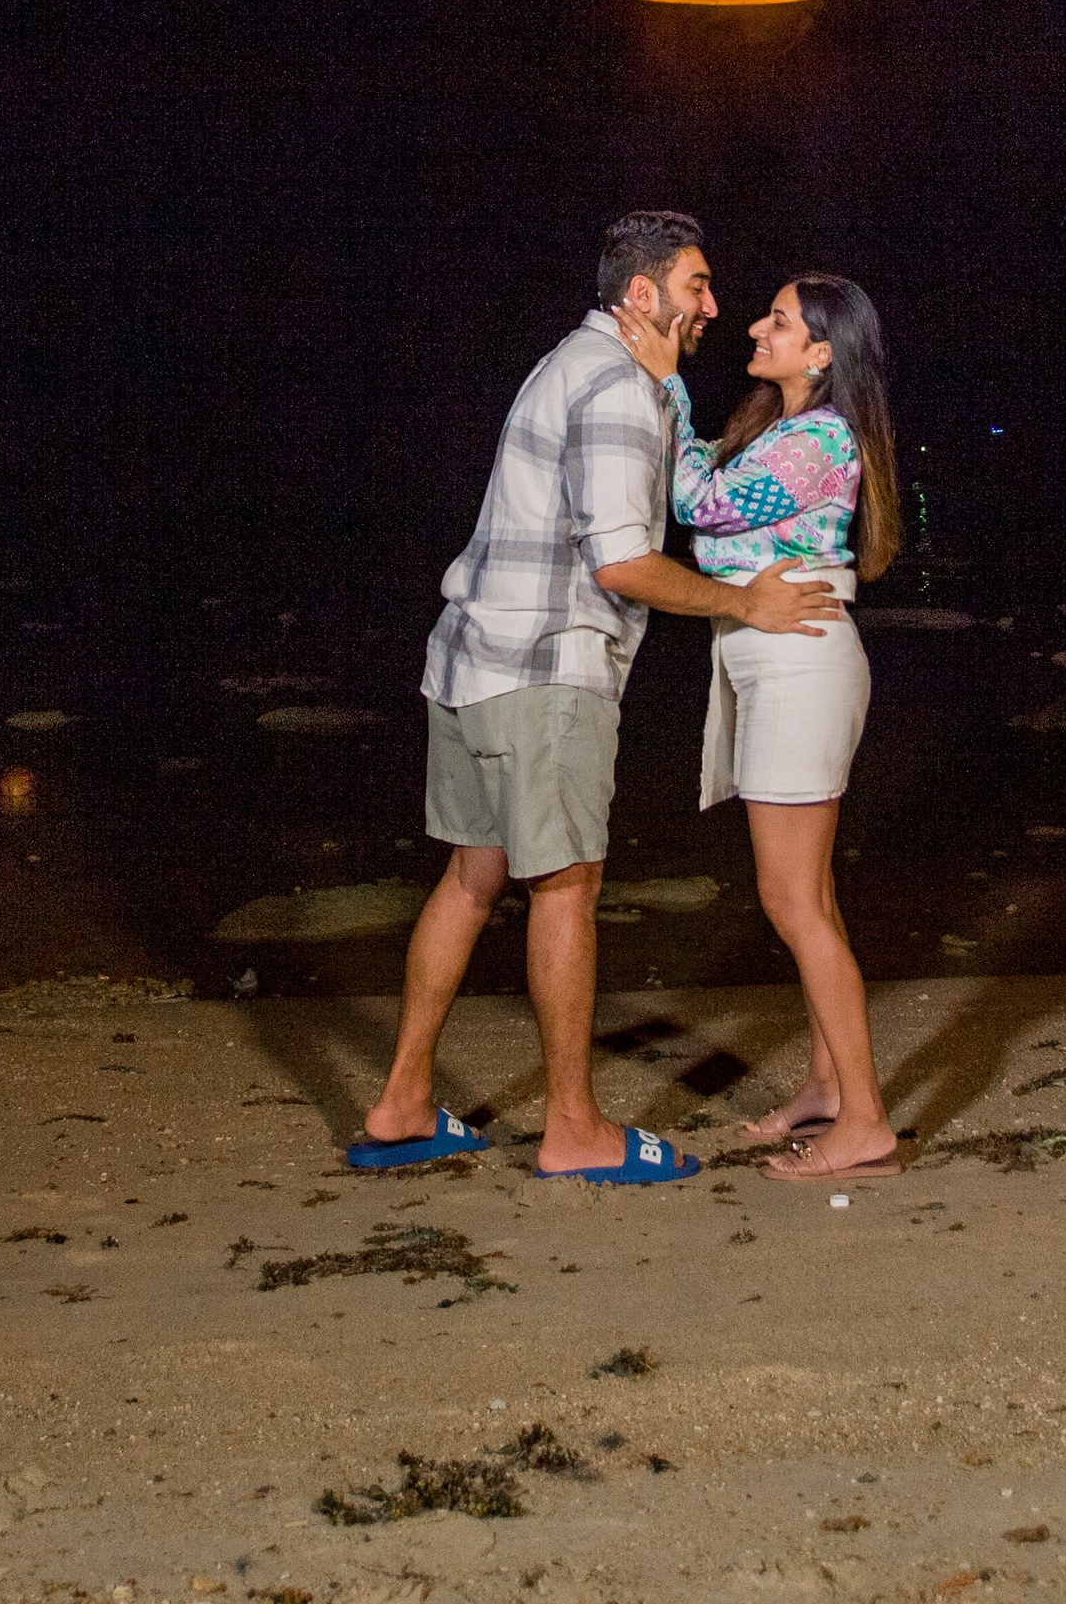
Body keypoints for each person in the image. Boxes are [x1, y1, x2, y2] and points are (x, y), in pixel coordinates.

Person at [351, 210, 845, 1183]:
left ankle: (403, 1100)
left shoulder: (580, 368)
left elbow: (682, 494)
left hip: (468, 661)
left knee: (469, 878)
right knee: (567, 887)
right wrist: (745, 600)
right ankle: (574, 1128)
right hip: (543, 671)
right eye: (697, 285)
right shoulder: (618, 387)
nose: (715, 306)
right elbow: (623, 563)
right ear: (641, 295)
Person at [613, 272, 902, 1182]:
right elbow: (703, 477)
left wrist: (662, 380)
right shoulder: (781, 427)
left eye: (778, 321)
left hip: (799, 668)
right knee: (810, 895)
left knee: (791, 903)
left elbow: (698, 505)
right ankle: (827, 1085)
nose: (754, 327)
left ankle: (865, 1122)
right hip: (773, 661)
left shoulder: (820, 438)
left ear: (823, 352)